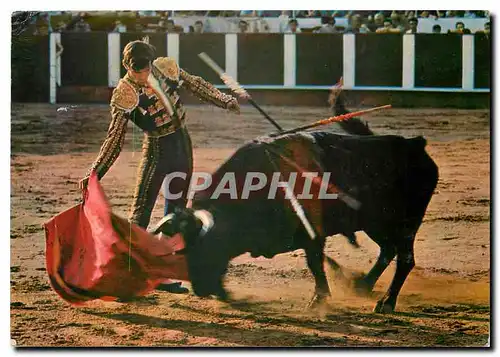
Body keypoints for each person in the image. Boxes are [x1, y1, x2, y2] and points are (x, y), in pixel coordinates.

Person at [79, 40, 240, 293]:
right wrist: (96, 171)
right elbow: (115, 138)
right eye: (136, 71)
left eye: (145, 69)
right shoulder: (124, 93)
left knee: (176, 213)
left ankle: (162, 275)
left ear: (152, 63)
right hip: (156, 150)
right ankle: (125, 274)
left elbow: (195, 84)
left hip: (181, 145)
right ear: (126, 66)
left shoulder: (165, 68)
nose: (142, 75)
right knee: (140, 212)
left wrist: (224, 100)